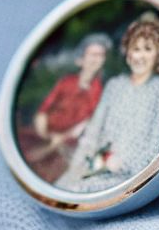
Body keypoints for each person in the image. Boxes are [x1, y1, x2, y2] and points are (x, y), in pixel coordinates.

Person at [57, 12, 159, 193]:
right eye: (135, 48)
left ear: (158, 54)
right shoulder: (114, 85)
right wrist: (78, 164)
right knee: (65, 185)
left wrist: (126, 165)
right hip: (94, 164)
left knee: (82, 189)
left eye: (148, 49)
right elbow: (94, 130)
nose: (140, 56)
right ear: (127, 53)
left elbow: (157, 139)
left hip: (132, 175)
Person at [22, 33, 110, 181]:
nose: (96, 59)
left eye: (100, 55)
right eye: (92, 54)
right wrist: (47, 135)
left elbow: (87, 125)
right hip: (41, 136)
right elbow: (43, 112)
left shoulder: (101, 91)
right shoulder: (66, 82)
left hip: (70, 145)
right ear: (81, 59)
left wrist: (62, 139)